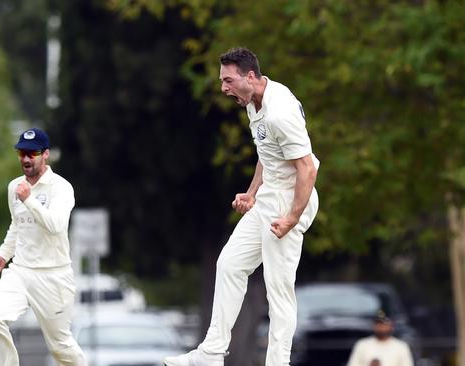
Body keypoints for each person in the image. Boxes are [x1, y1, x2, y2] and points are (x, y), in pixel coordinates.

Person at [165, 47, 320, 366]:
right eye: (222, 81)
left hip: (291, 200)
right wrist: (252, 193)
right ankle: (211, 353)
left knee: (278, 292)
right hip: (269, 197)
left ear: (250, 76)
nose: (223, 88)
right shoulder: (253, 102)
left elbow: (307, 168)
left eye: (228, 80)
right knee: (230, 264)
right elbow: (268, 154)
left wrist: (291, 218)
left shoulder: (279, 112)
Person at [0, 128, 87, 366]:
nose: (26, 159)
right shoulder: (14, 187)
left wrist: (28, 200)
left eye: (33, 153)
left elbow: (56, 226)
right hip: (21, 271)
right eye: (22, 153)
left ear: (45, 154)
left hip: (54, 274)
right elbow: (17, 226)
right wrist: (3, 255)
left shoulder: (61, 188)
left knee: (61, 347)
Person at [346, 313, 414, 366]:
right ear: (374, 326)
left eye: (385, 324)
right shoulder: (362, 344)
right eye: (379, 324)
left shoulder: (401, 346)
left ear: (391, 326)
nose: (382, 327)